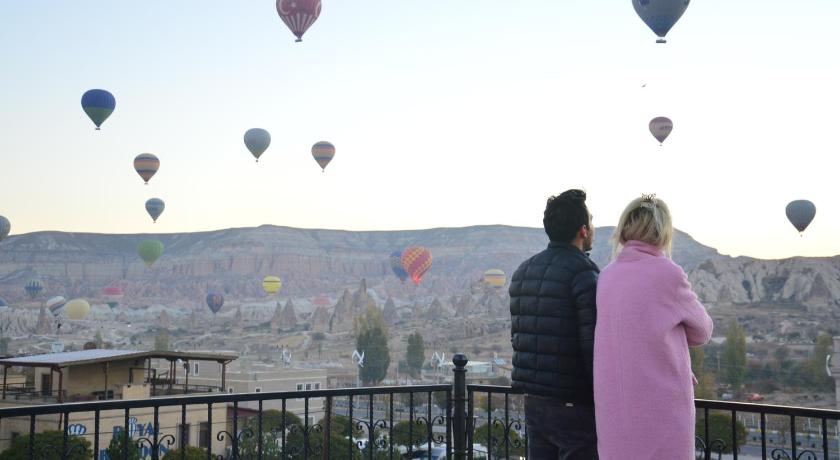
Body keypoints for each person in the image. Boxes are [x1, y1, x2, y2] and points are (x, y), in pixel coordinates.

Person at [594, 194, 713, 459]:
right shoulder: (668, 273)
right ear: (663, 232)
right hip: (661, 405)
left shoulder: (607, 276)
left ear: (624, 229)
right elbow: (703, 331)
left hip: (614, 407)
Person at [509, 189, 599, 459]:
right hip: (573, 403)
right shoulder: (584, 272)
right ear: (583, 230)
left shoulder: (523, 271)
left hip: (535, 401)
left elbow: (519, 338)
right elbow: (592, 346)